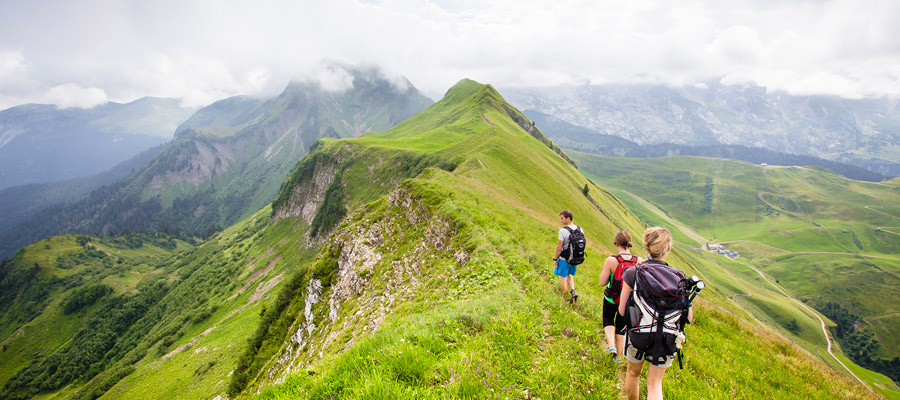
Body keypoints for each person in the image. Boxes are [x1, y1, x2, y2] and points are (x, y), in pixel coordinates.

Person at [618, 227, 693, 400]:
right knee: (655, 383)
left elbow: (622, 311)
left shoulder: (633, 273)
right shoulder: (679, 276)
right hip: (667, 338)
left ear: (646, 246)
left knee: (633, 374)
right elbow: (688, 317)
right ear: (667, 248)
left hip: (639, 334)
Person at [598, 230, 640, 360]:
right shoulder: (639, 261)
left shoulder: (611, 260)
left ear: (616, 243)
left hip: (612, 298)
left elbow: (602, 282)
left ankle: (611, 346)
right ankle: (618, 358)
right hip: (628, 301)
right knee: (621, 326)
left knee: (608, 319)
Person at [552, 209, 581, 303]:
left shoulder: (563, 231)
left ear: (568, 218)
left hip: (564, 258)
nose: (561, 221)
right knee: (569, 274)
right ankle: (573, 291)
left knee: (562, 277)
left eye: (562, 218)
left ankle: (566, 298)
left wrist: (555, 258)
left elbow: (559, 247)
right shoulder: (580, 229)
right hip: (575, 258)